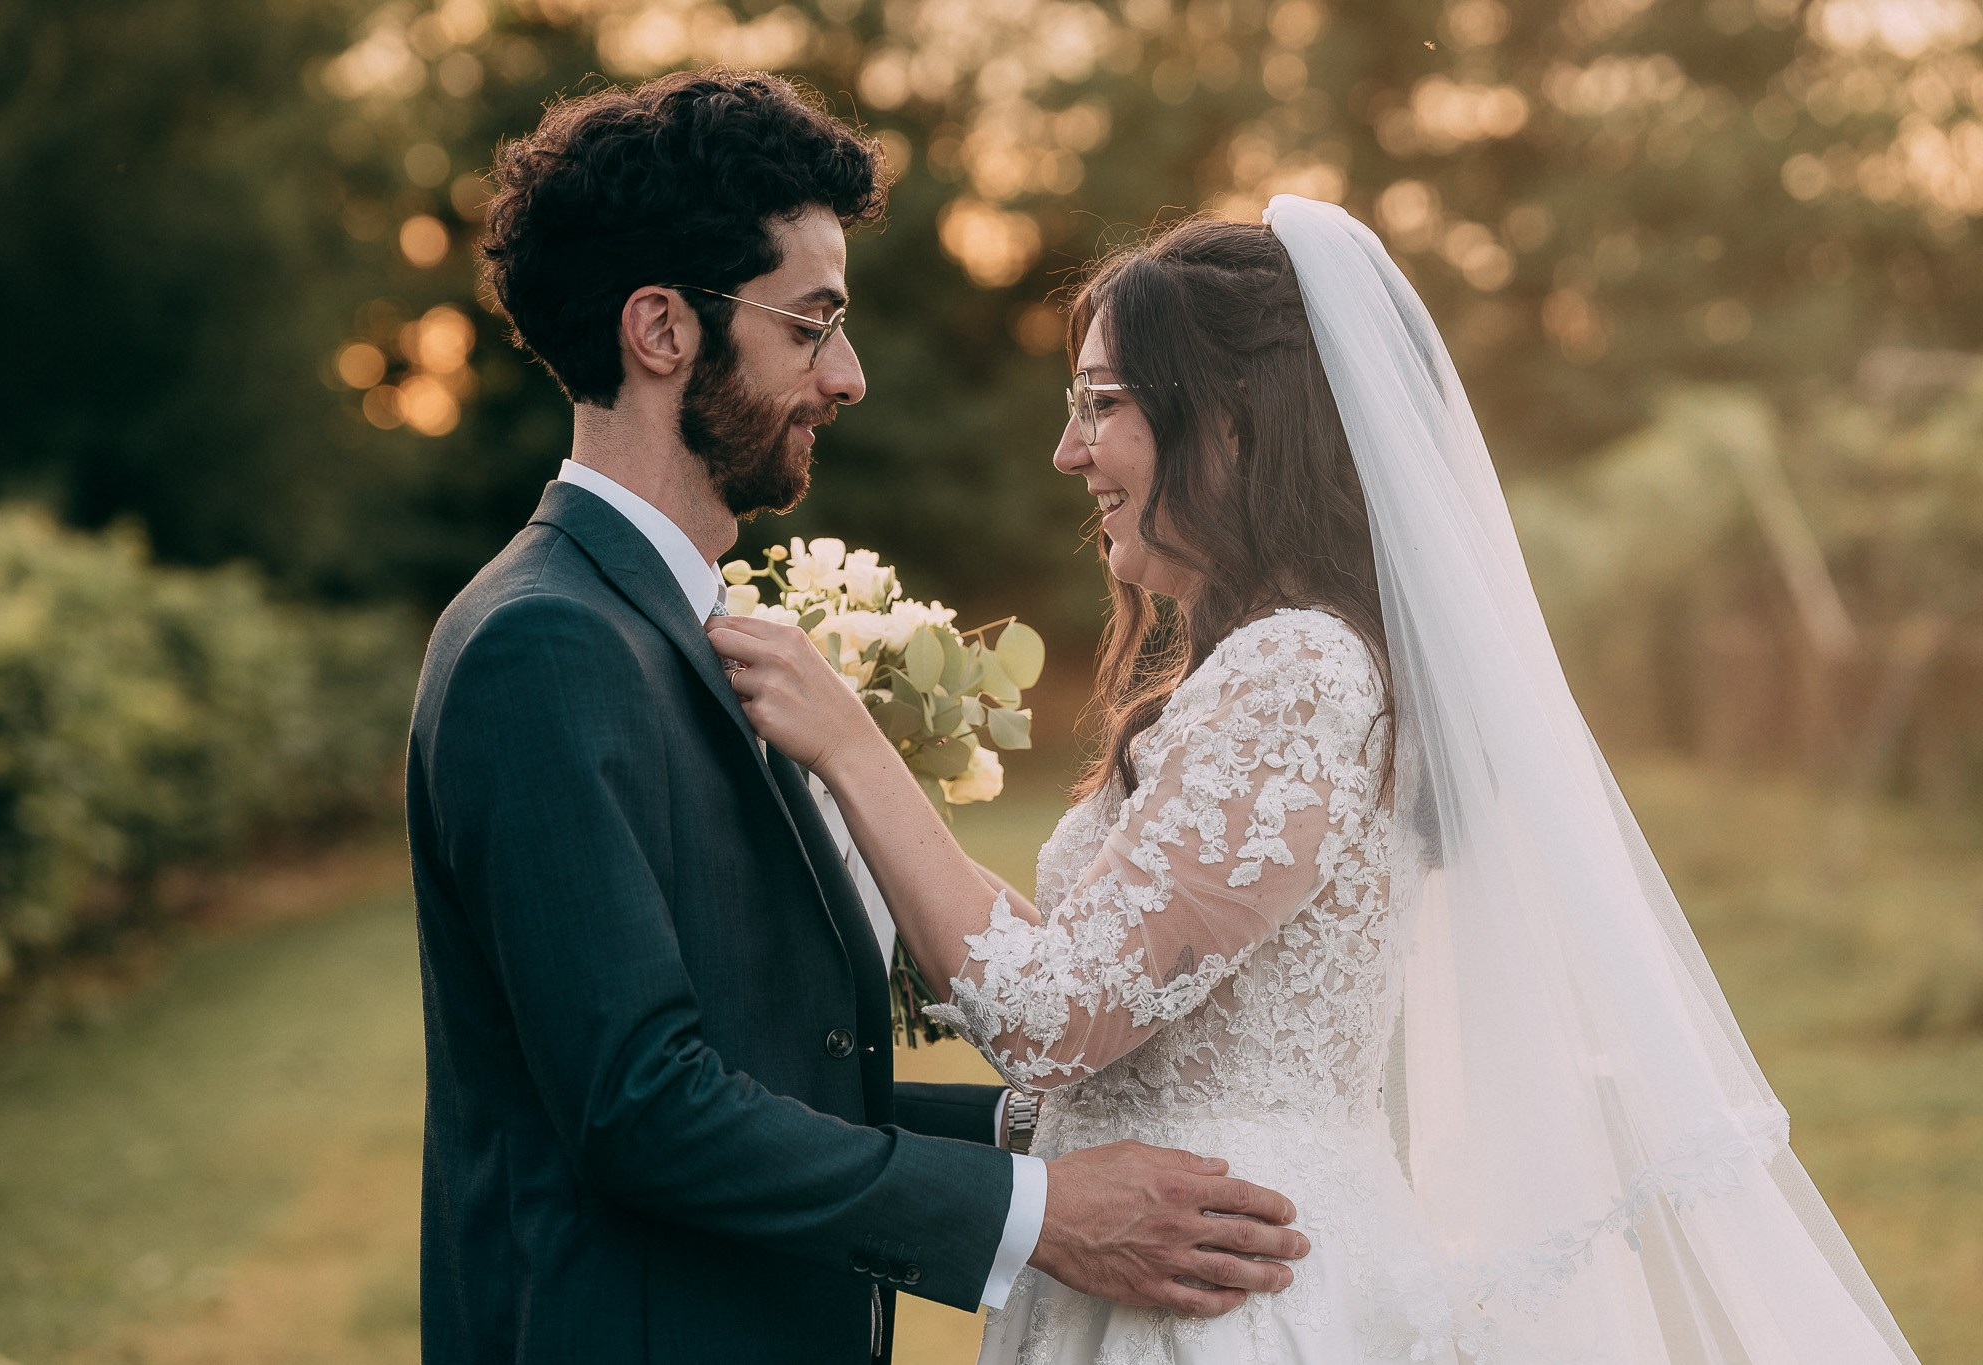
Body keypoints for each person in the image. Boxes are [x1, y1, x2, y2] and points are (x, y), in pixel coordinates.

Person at [707, 199, 1923, 1362]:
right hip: (1183, 1254)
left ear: (1232, 421)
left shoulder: (1299, 669)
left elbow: (1053, 1018)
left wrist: (855, 751)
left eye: (1099, 403)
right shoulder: (1273, 664)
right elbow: (1108, 977)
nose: (1068, 449)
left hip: (1227, 1299)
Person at [403, 70, 1308, 1365]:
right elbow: (640, 1106)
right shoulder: (545, 642)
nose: (851, 376)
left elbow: (782, 1070)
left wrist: (1028, 1133)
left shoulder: (694, 634)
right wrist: (1038, 1215)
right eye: (812, 324)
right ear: (662, 330)